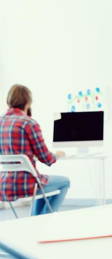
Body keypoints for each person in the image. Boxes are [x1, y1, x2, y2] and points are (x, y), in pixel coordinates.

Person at [0, 84, 70, 215]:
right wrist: (57, 155)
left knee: (41, 182)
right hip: (26, 184)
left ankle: (34, 221)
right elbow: (46, 159)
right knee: (64, 182)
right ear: (28, 102)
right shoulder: (28, 123)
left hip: (4, 185)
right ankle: (44, 220)